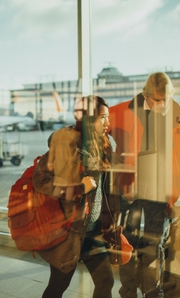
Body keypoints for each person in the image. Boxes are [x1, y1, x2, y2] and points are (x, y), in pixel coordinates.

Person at [108, 72, 180, 297]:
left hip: (160, 193)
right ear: (146, 95)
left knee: (154, 245)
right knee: (126, 242)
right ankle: (128, 291)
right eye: (157, 100)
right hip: (131, 191)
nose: (162, 104)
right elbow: (94, 125)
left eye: (165, 99)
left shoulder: (177, 114)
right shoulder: (124, 110)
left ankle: (149, 287)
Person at [32, 95, 114, 298]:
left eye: (108, 117)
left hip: (93, 230)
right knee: (58, 286)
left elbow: (105, 188)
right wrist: (79, 188)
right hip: (69, 232)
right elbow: (40, 181)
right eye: (103, 117)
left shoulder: (104, 145)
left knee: (106, 281)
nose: (107, 123)